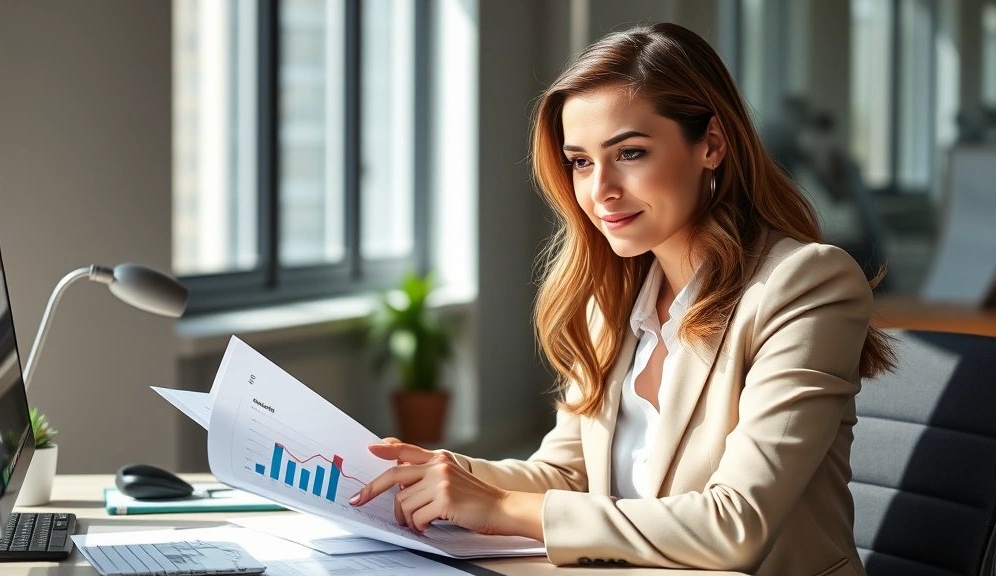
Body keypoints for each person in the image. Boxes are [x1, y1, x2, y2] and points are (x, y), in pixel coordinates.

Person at [349, 22, 895, 575]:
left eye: (630, 153)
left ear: (711, 144)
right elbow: (567, 477)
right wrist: (448, 474)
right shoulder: (611, 303)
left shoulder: (805, 284)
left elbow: (736, 524)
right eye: (581, 161)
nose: (600, 189)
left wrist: (498, 506)